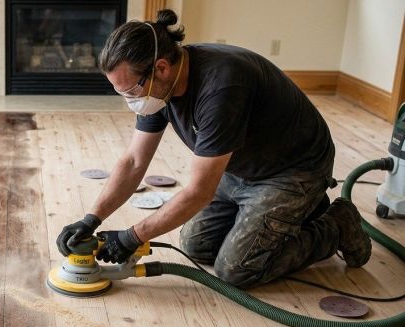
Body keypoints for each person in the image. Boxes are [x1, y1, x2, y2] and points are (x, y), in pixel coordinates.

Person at [55, 9, 371, 288]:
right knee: (197, 246)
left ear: (161, 68)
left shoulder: (221, 87)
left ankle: (337, 224)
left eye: (131, 91)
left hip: (292, 171)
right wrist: (91, 219)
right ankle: (292, 217)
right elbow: (135, 161)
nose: (130, 100)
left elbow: (198, 192)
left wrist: (132, 236)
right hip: (239, 166)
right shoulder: (159, 89)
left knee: (237, 269)